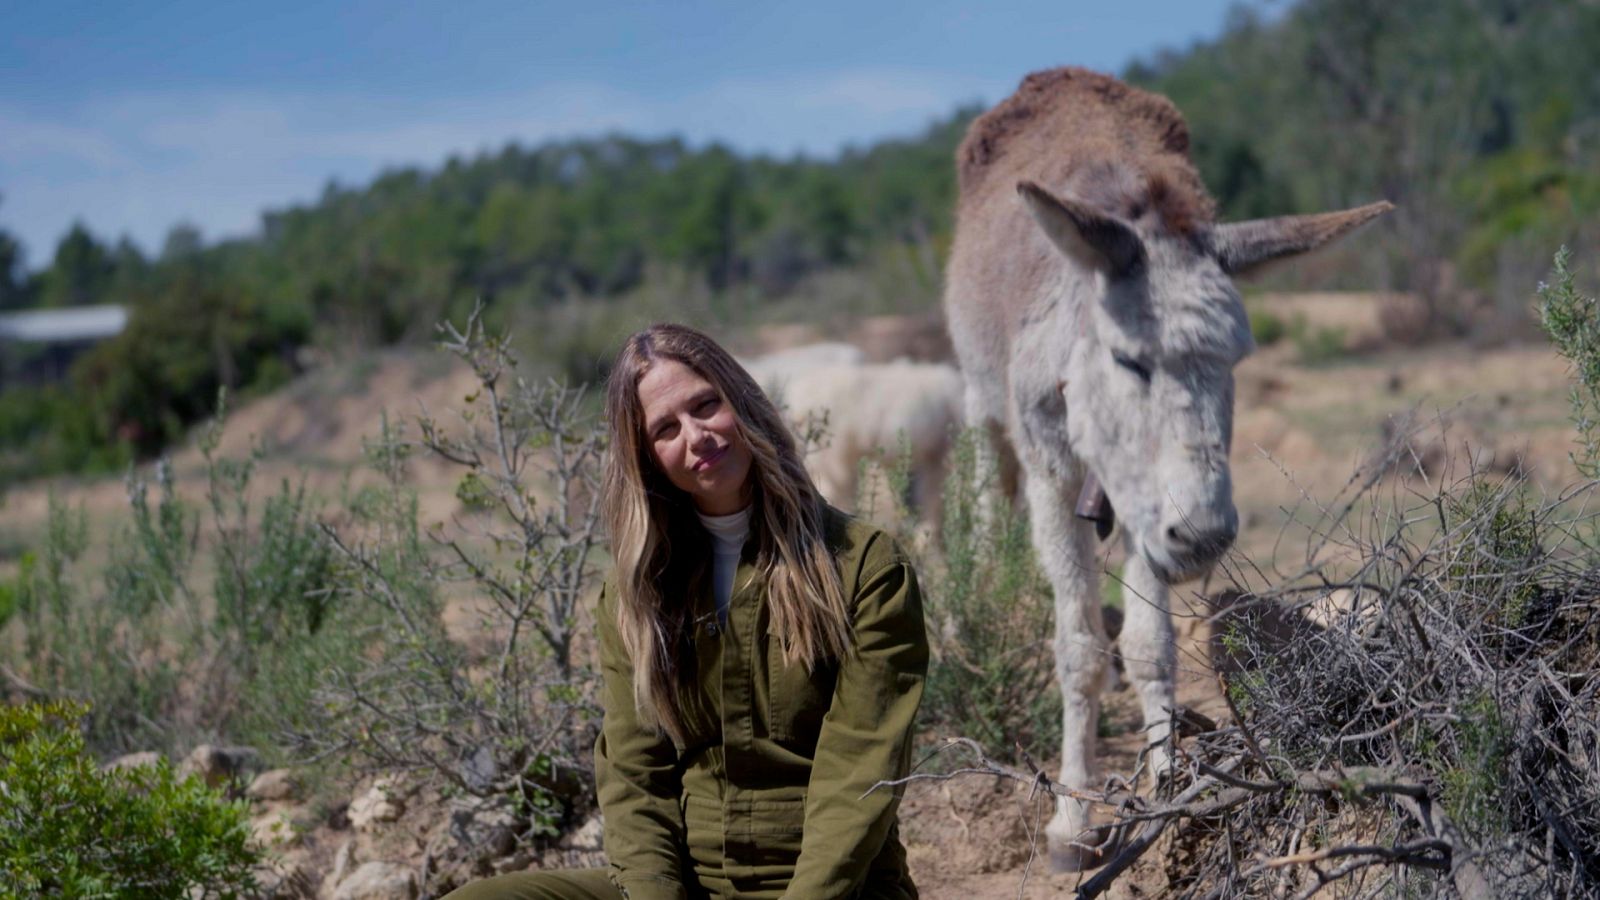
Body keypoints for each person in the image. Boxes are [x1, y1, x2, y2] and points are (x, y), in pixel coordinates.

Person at [446, 323, 928, 900]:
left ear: (741, 401)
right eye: (666, 429)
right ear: (646, 457)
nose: (697, 436)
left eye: (706, 405)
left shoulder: (863, 565)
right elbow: (635, 779)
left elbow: (861, 775)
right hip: (693, 887)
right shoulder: (638, 596)